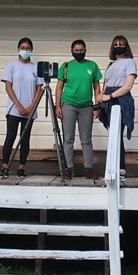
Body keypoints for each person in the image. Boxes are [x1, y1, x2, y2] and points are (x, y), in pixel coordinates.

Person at [55, 38, 102, 181]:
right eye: (76, 50)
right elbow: (59, 87)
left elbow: (97, 86)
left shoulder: (92, 66)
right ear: (71, 51)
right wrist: (58, 105)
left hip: (86, 106)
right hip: (68, 104)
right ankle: (68, 168)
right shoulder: (66, 66)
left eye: (81, 50)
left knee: (86, 139)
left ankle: (88, 168)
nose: (79, 52)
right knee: (68, 138)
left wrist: (97, 106)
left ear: (85, 50)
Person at [0, 37, 45, 179]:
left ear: (31, 50)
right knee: (11, 137)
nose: (25, 50)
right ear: (18, 49)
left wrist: (31, 106)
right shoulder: (11, 66)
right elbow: (8, 87)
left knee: (25, 138)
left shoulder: (35, 67)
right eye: (23, 47)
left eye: (28, 48)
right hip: (14, 108)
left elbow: (39, 88)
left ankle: (21, 167)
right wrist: (18, 105)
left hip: (30, 110)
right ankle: (5, 166)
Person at [97, 35, 138, 180]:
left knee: (118, 134)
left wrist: (111, 96)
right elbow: (106, 84)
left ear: (126, 46)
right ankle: (112, 167)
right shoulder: (110, 65)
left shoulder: (130, 62)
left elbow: (128, 86)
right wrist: (102, 97)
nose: (118, 46)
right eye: (116, 44)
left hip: (120, 99)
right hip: (108, 99)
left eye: (121, 43)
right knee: (112, 134)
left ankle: (121, 168)